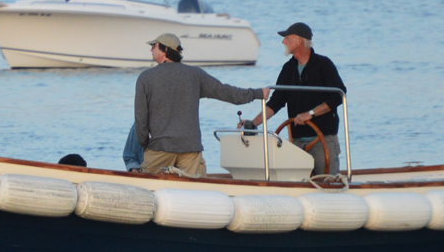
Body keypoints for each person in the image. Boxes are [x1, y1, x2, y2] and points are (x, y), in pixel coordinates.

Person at [129, 32, 266, 178]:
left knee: (150, 187)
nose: (151, 49)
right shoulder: (195, 74)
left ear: (165, 50)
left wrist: (145, 145)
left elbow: (140, 118)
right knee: (194, 193)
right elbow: (226, 92)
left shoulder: (145, 78)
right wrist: (257, 93)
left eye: (154, 46)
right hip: (190, 149)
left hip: (159, 148)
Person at [267, 21, 347, 184]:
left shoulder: (324, 65)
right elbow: (276, 102)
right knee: (297, 184)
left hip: (323, 139)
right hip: (297, 143)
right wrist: (253, 124)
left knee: (328, 183)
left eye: (287, 38)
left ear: (299, 41)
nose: (283, 42)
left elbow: (338, 95)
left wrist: (310, 114)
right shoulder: (288, 69)